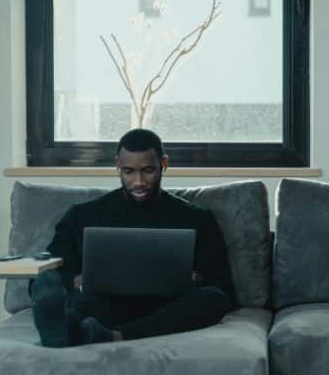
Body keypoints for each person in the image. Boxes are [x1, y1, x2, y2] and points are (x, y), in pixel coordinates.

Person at [30, 128, 235, 347]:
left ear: (164, 164)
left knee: (214, 298)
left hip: (166, 308)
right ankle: (65, 329)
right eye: (128, 171)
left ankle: (110, 336)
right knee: (67, 294)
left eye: (148, 171)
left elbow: (223, 286)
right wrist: (75, 280)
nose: (138, 182)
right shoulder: (82, 215)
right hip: (107, 305)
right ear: (117, 165)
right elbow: (51, 270)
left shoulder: (196, 218)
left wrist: (195, 278)